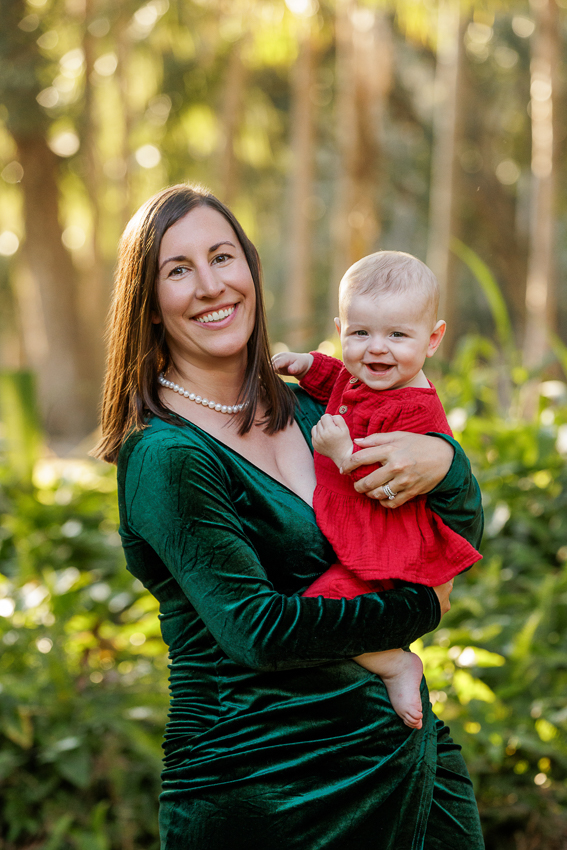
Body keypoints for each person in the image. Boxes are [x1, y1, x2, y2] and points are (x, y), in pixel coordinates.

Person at [93, 183, 485, 850]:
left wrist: (444, 463)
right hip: (267, 791)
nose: (212, 286)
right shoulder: (166, 454)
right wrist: (422, 613)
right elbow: (260, 631)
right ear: (150, 305)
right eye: (178, 270)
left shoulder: (315, 407)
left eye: (223, 257)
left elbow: (439, 536)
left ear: (250, 269)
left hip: (407, 764)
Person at [272, 251, 482, 731]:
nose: (376, 350)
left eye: (397, 335)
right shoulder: (369, 374)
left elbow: (382, 478)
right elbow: (340, 381)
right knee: (324, 604)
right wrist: (308, 365)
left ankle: (393, 661)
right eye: (360, 333)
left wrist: (342, 452)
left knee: (322, 608)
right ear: (340, 328)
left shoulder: (415, 410)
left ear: (432, 340)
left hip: (387, 545)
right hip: (361, 540)